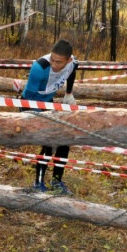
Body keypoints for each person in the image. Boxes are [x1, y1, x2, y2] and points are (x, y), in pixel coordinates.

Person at [21, 39, 78, 194]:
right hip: (30, 104)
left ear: (68, 60)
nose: (54, 64)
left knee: (64, 142)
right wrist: (39, 117)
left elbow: (73, 70)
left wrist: (68, 93)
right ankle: (38, 183)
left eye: (59, 62)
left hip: (48, 103)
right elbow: (30, 97)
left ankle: (57, 182)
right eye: (52, 59)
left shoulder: (73, 63)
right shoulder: (39, 67)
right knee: (49, 141)